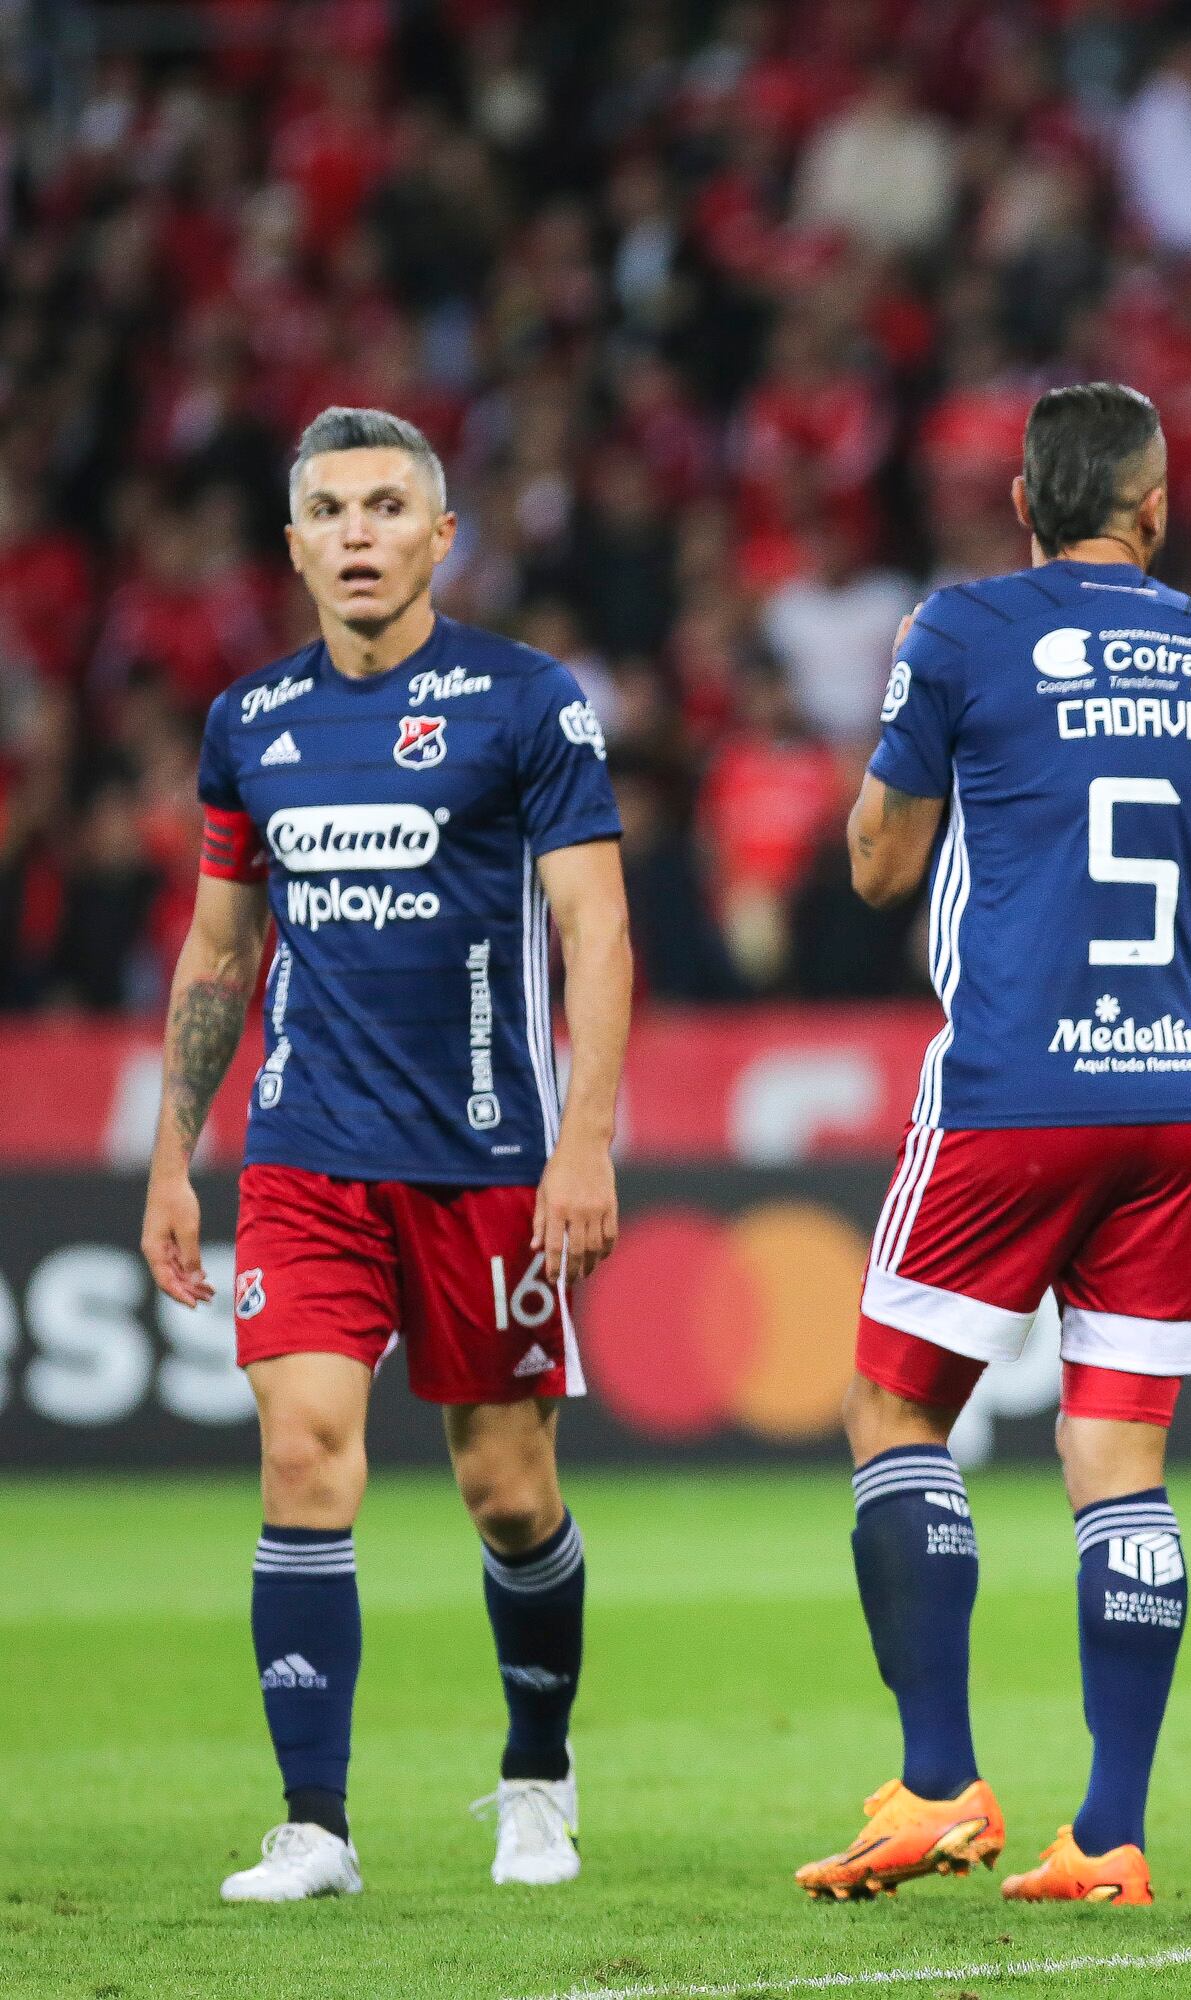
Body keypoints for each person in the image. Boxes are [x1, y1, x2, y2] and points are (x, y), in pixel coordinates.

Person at [796, 383, 1191, 1907]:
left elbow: (879, 866)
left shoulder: (958, 627)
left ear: (1023, 503)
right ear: (1155, 507)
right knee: (1118, 1463)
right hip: (1179, 1099)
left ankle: (938, 1784)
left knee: (893, 1412)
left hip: (1014, 1088)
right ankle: (1112, 1832)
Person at [142, 407, 630, 1902]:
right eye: (330, 511)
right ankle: (315, 1824)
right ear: (294, 545)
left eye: (385, 507)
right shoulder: (251, 725)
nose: (357, 533)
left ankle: (538, 1779)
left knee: (507, 1491)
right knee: (301, 1453)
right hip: (306, 1155)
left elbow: (594, 928)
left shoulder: (526, 704)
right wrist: (175, 1153)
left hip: (488, 1162)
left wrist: (585, 1140)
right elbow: (222, 947)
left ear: (439, 537)